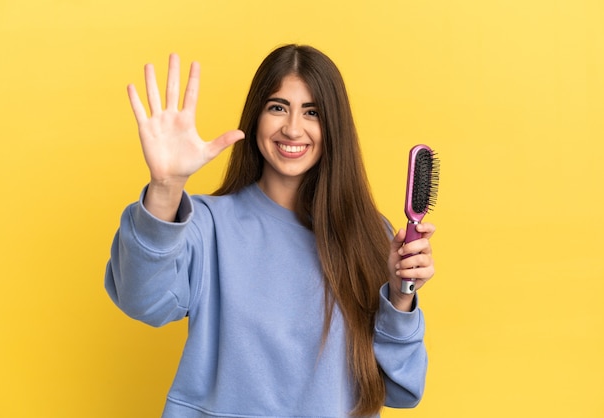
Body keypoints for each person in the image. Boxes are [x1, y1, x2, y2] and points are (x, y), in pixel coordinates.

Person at [105, 44, 436, 418]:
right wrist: (165, 188)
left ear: (334, 128)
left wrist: (399, 297)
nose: (293, 128)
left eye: (312, 112)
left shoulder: (368, 234)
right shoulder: (206, 224)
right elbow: (140, 299)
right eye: (278, 107)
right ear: (256, 117)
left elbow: (400, 389)